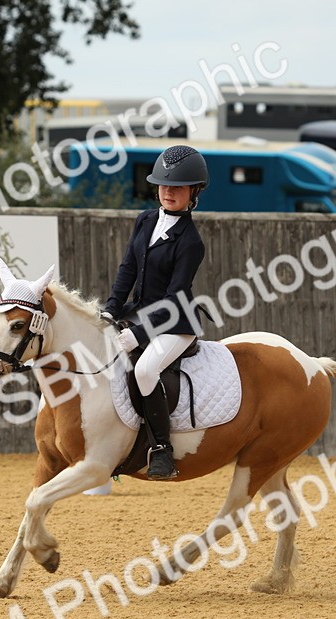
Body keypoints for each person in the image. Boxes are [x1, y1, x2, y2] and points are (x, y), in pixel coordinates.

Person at [102, 144, 209, 480]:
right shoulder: (145, 220)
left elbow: (174, 298)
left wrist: (139, 333)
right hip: (139, 312)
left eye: (176, 187)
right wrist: (110, 310)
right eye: (163, 185)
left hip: (175, 322)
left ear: (193, 192)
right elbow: (128, 268)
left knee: (145, 370)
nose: (168, 192)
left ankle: (162, 450)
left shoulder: (190, 242)